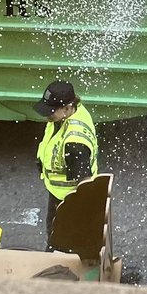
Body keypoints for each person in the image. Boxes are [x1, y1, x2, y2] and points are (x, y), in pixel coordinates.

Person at [34, 80, 98, 241]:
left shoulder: (74, 144)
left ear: (68, 108)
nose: (47, 115)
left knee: (59, 237)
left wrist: (74, 212)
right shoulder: (72, 112)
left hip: (66, 198)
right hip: (59, 193)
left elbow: (84, 185)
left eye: (51, 111)